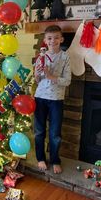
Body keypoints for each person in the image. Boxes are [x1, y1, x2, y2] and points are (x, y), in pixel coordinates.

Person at [34, 25, 71, 174]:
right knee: (39, 131)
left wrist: (51, 77)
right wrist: (37, 73)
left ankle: (55, 160)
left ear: (61, 39)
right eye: (49, 38)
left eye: (56, 38)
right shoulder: (41, 56)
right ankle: (40, 158)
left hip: (56, 99)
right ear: (45, 40)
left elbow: (67, 80)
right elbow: (37, 80)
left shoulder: (65, 57)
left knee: (55, 133)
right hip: (40, 97)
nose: (53, 41)